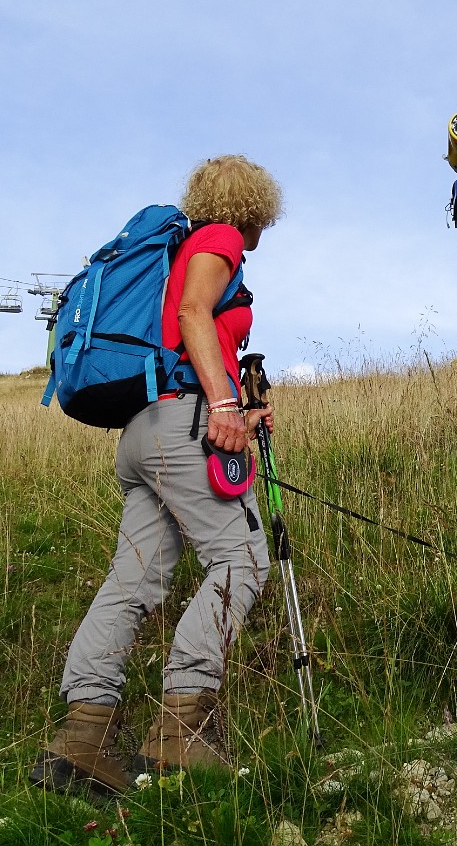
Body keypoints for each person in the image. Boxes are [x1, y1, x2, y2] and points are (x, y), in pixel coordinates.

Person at [32, 155, 282, 795]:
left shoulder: (170, 252)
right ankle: (180, 731)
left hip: (144, 429)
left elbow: (184, 330)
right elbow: (196, 314)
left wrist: (238, 399)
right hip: (184, 426)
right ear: (253, 205)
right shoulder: (219, 239)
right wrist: (225, 406)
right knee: (243, 558)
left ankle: (81, 740)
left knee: (133, 581)